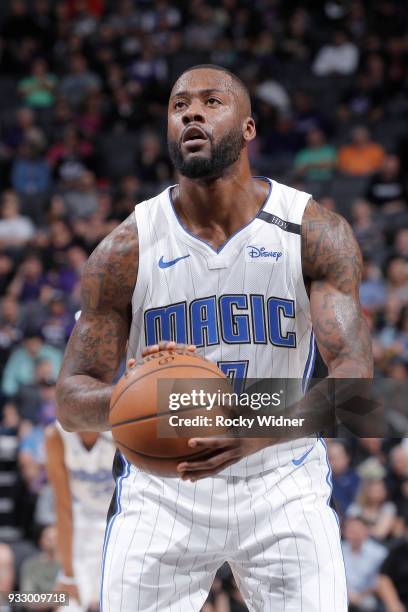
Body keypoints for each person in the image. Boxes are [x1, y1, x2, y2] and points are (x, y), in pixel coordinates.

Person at [56, 64, 373, 611]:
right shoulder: (124, 251)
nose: (192, 112)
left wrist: (249, 425)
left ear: (248, 127)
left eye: (211, 101)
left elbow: (361, 393)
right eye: (179, 106)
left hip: (282, 481)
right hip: (163, 493)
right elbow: (70, 399)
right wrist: (150, 402)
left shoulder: (313, 233)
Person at [45, 423, 115, 612]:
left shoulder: (120, 430)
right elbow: (63, 507)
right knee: (68, 606)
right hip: (82, 522)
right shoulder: (55, 435)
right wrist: (68, 575)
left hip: (121, 522)